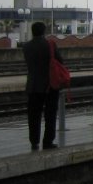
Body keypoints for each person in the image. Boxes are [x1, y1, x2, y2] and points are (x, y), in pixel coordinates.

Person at [22, 20, 63, 150]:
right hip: (49, 85)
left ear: (32, 31)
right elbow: (60, 61)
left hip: (33, 85)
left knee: (33, 115)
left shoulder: (26, 46)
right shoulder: (50, 45)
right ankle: (48, 141)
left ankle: (34, 142)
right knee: (50, 114)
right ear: (43, 31)